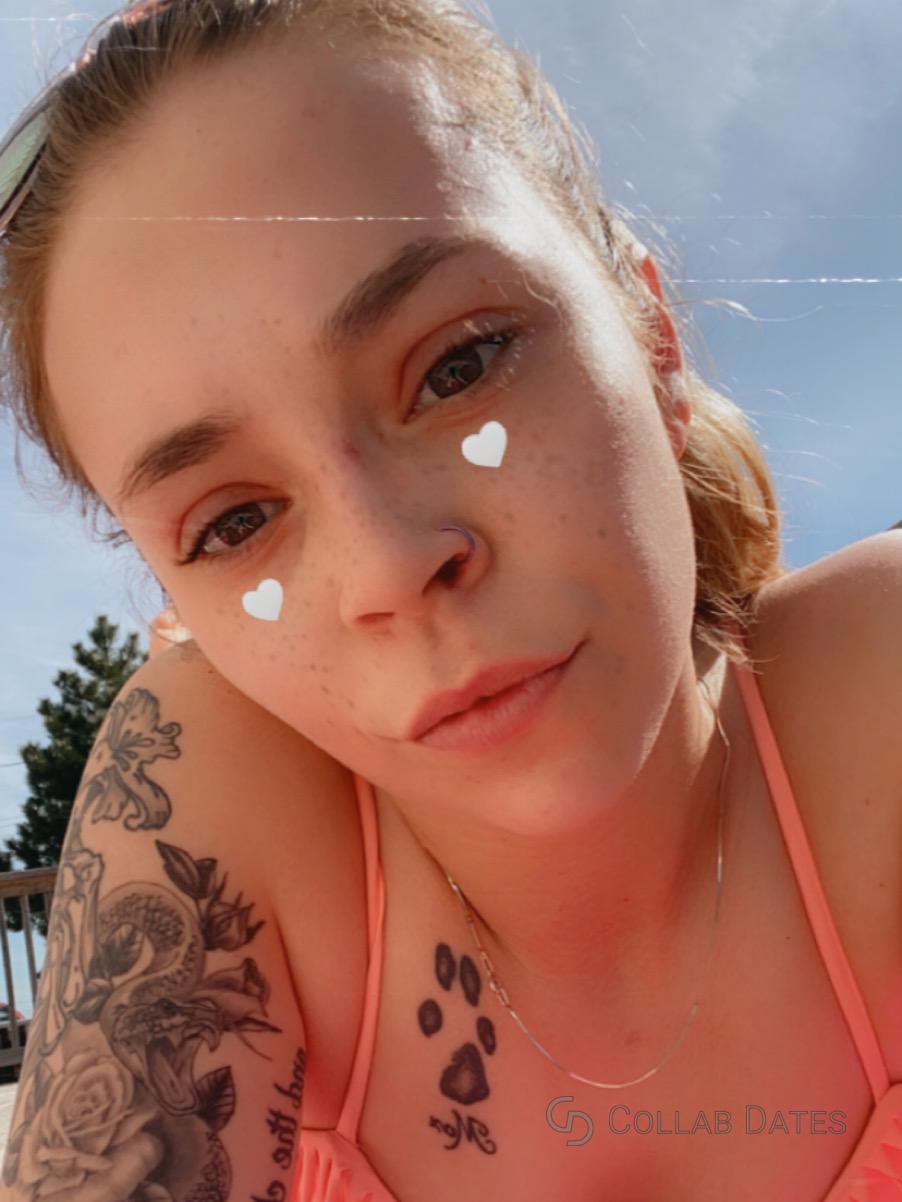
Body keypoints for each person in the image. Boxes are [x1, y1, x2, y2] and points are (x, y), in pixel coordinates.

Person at [0, 0, 900, 1199]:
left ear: (651, 339)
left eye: (459, 363)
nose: (383, 565)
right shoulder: (215, 787)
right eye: (233, 522)